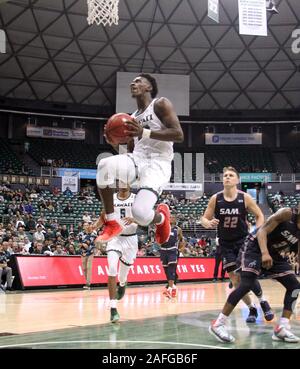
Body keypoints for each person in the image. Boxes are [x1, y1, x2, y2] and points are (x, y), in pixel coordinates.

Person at [95, 73, 184, 245]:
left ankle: (161, 218)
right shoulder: (133, 117)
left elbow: (178, 134)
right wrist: (114, 143)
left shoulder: (160, 104)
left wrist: (144, 132)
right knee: (105, 164)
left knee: (140, 214)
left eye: (138, 81)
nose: (133, 83)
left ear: (149, 87)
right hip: (137, 159)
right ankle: (112, 221)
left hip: (158, 164)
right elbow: (131, 150)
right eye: (133, 81)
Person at [209, 206, 300, 343]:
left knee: (294, 286)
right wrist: (264, 253)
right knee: (246, 284)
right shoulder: (287, 213)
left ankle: (282, 327)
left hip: (274, 253)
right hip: (255, 247)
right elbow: (262, 231)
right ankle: (218, 324)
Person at [201, 166, 273, 323]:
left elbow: (260, 215)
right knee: (235, 279)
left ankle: (263, 301)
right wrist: (208, 223)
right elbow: (204, 218)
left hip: (243, 241)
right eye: (225, 175)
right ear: (222, 180)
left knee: (248, 274)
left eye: (231, 175)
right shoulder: (216, 198)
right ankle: (252, 308)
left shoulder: (244, 197)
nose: (227, 177)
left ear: (237, 180)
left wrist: (257, 231)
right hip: (225, 243)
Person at [89, 184, 138, 323]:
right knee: (111, 269)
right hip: (114, 238)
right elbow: (103, 217)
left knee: (123, 275)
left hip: (131, 239)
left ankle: (122, 284)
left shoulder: (136, 199)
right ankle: (113, 308)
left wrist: (135, 219)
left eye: (125, 182)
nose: (123, 185)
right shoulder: (111, 199)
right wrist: (93, 226)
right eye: (120, 182)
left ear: (130, 184)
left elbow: (146, 220)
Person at [160, 213, 184, 299]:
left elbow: (181, 240)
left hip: (173, 250)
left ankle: (169, 289)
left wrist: (181, 248)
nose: (171, 219)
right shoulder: (163, 227)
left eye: (173, 217)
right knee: (166, 270)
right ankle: (173, 287)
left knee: (172, 269)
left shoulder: (178, 229)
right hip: (163, 250)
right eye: (170, 217)